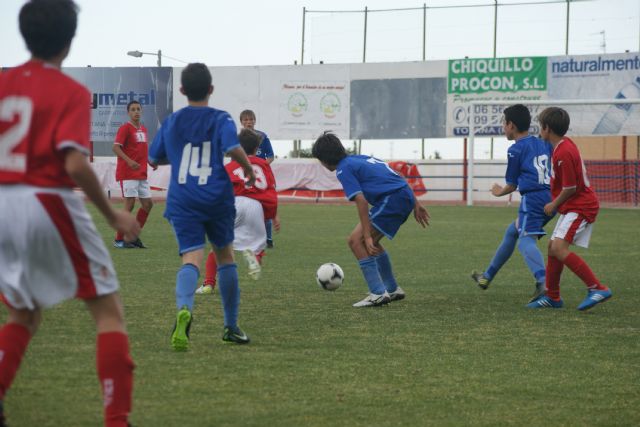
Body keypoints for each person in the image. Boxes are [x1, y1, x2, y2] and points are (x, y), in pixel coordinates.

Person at [0, 1, 140, 426]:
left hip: (4, 203)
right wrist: (115, 215)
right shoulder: (71, 92)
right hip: (45, 199)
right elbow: (76, 164)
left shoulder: (4, 84)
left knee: (23, 312)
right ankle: (117, 419)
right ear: (70, 39)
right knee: (107, 311)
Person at [149, 63, 256, 349]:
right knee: (225, 257)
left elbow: (154, 158)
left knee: (191, 259)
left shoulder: (172, 122)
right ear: (211, 89)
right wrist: (248, 167)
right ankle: (230, 326)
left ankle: (185, 308)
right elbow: (232, 147)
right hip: (216, 196)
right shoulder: (221, 118)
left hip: (183, 198)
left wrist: (180, 153)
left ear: (182, 91)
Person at [312, 132, 430, 307]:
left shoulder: (343, 169)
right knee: (371, 243)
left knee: (356, 241)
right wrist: (416, 203)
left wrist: (366, 235)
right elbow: (398, 177)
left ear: (324, 159)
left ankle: (377, 292)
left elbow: (361, 200)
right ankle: (391, 288)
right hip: (401, 196)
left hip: (392, 199)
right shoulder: (360, 158)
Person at [527, 107, 612, 310]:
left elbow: (571, 187)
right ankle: (553, 297)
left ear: (547, 129)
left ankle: (597, 288)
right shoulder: (562, 146)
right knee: (552, 248)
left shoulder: (563, 152)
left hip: (580, 206)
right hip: (573, 206)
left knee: (558, 248)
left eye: (541, 127)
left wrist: (553, 204)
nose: (540, 131)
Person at [470, 104, 553, 303]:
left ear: (512, 125)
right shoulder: (542, 142)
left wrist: (498, 192)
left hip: (532, 199)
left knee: (526, 239)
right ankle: (486, 277)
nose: (502, 127)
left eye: (503, 123)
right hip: (551, 197)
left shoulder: (515, 149)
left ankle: (543, 282)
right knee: (512, 231)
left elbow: (511, 184)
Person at [196, 128, 280, 295]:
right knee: (259, 243)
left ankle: (208, 284)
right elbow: (270, 188)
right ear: (257, 149)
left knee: (218, 246)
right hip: (256, 207)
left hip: (233, 204)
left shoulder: (232, 165)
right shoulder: (263, 164)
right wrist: (274, 215)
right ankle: (255, 258)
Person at [112, 100, 155, 249]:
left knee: (148, 204)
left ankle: (132, 237)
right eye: (133, 109)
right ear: (128, 113)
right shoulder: (125, 128)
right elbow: (116, 148)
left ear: (141, 111)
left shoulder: (143, 129)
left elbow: (142, 151)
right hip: (128, 172)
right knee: (129, 205)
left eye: (138, 109)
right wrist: (129, 161)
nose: (136, 111)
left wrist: (151, 162)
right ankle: (118, 239)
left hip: (141, 173)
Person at [239, 109, 277, 248]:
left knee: (264, 207)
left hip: (261, 178)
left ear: (255, 121)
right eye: (245, 120)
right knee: (245, 207)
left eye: (251, 119)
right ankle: (246, 238)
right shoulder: (238, 138)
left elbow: (271, 156)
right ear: (241, 122)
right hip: (244, 178)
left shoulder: (262, 136)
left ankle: (268, 239)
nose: (248, 122)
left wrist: (261, 167)